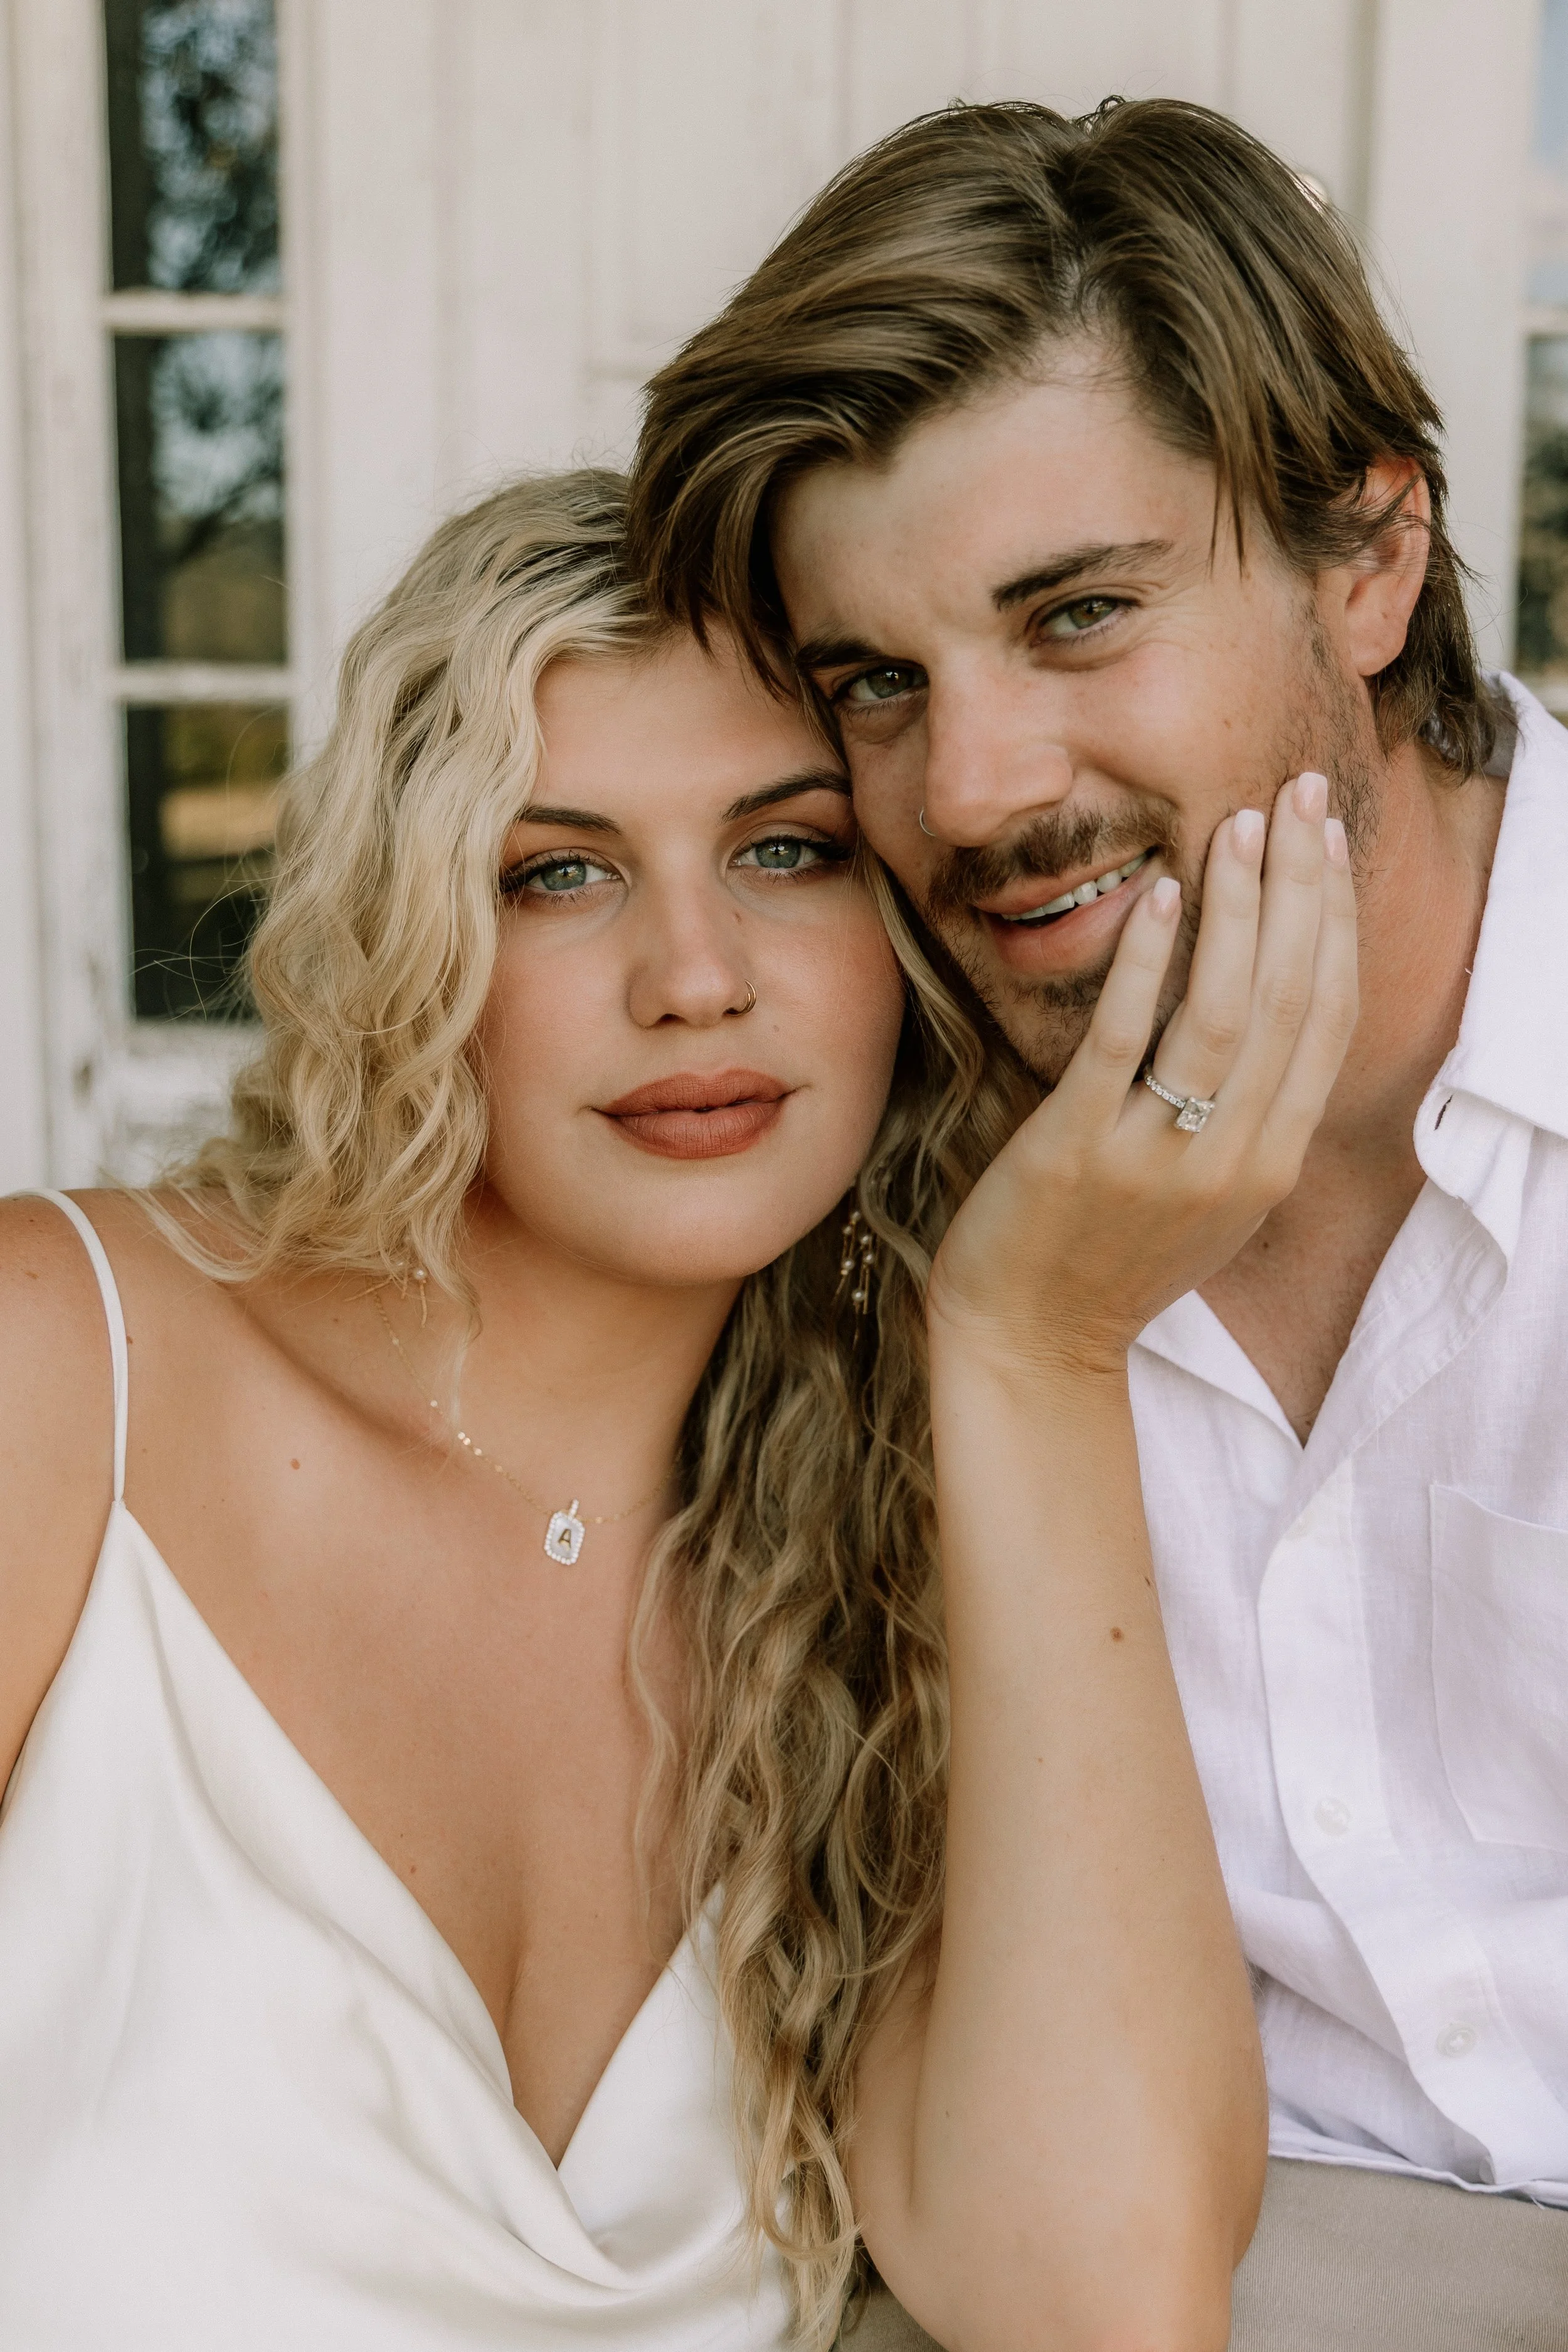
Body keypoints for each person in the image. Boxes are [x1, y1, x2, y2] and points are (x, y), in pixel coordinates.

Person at [0, 469, 1353, 2350]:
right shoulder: (65, 1368)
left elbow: (1103, 2297)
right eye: (556, 871)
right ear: (410, 936)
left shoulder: (881, 1572)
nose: (695, 978)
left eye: (787, 851)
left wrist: (1036, 1358)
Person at [628, 91, 1568, 2351]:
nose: (971, 792)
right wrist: (1024, 1345)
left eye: (1077, 617)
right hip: (1233, 2256)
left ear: (1368, 558)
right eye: (879, 683)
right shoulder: (829, 1185)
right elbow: (1074, 2279)